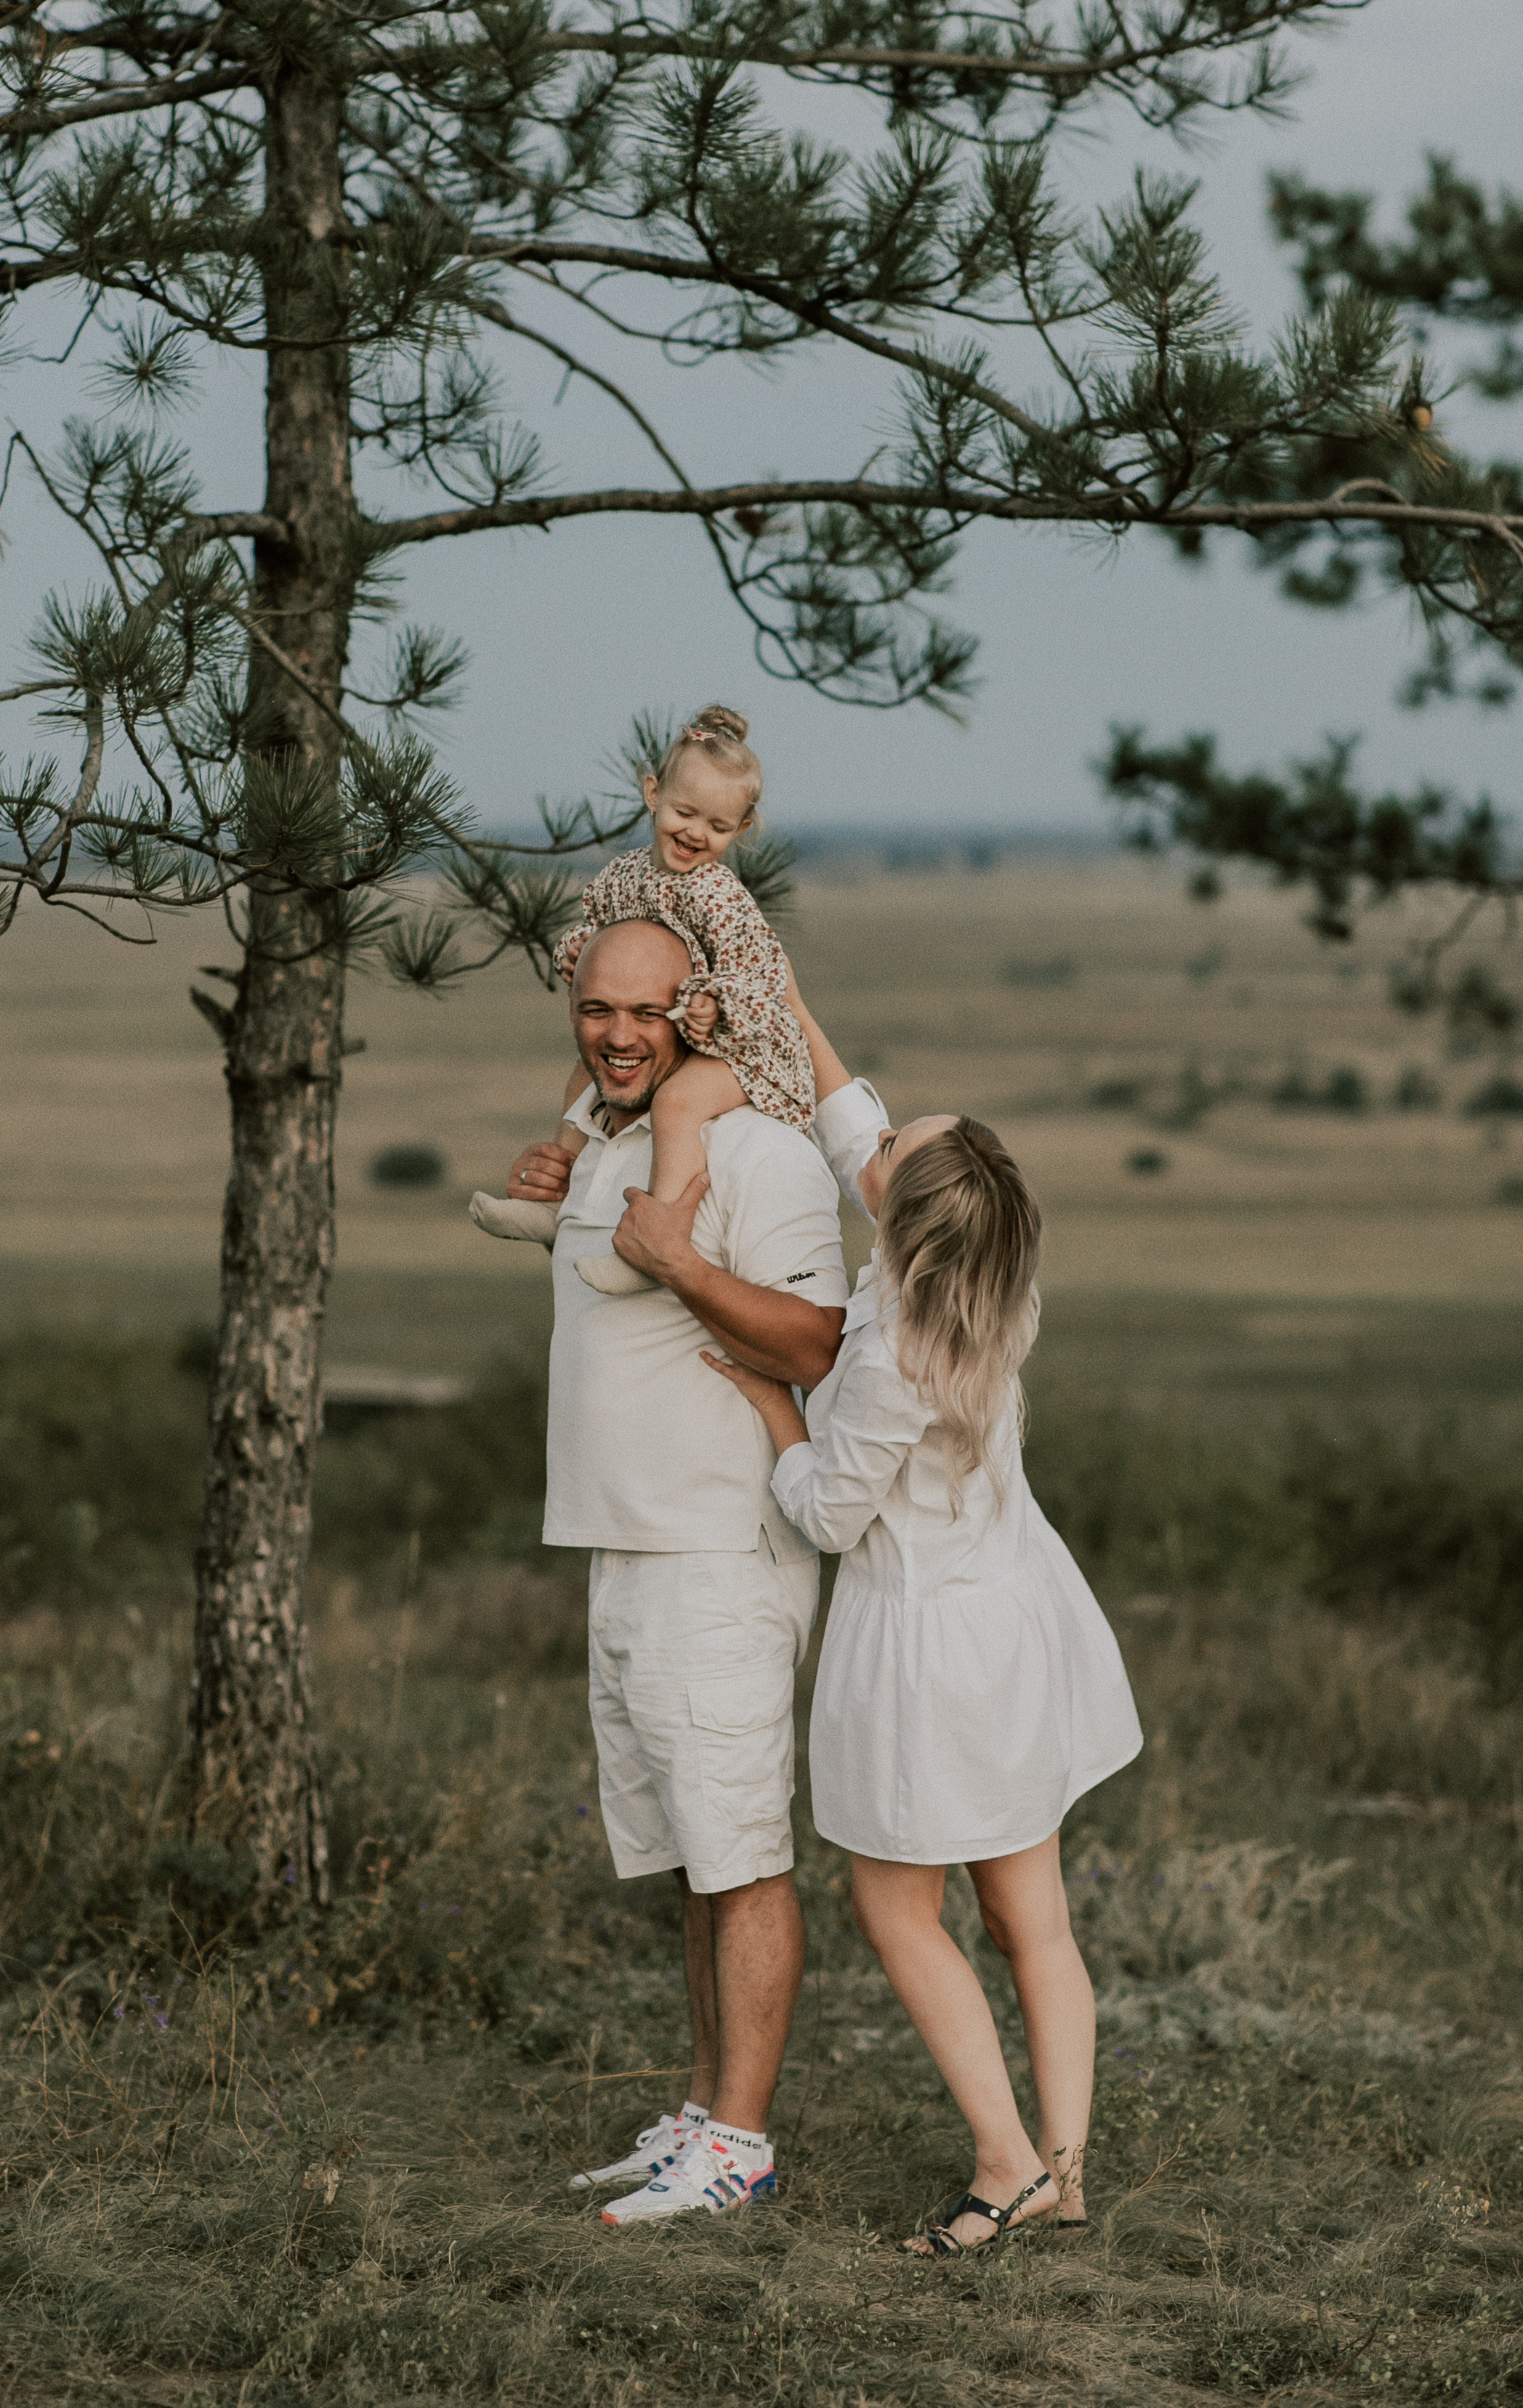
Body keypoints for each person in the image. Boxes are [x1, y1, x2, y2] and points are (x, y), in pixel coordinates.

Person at [703, 1114, 1142, 2255]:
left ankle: (1005, 2166)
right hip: (1011, 1627)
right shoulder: (997, 1291)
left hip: (928, 1654)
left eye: (899, 1144)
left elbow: (831, 1516)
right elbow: (866, 1122)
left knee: (897, 1908)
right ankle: (1068, 2173)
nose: (879, 1133)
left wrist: (776, 1415)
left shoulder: (896, 1348)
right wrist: (782, 995)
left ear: (896, 1214)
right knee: (1031, 1919)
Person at [504, 915, 876, 2226]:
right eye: (596, 1009)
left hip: (721, 1550)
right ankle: (708, 2121)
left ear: (700, 1012)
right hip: (624, 1546)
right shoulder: (613, 1140)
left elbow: (825, 1343)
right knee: (686, 1859)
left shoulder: (765, 1157)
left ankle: (746, 2145)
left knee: (742, 1857)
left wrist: (684, 1262)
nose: (616, 1034)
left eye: (644, 1012)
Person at [471, 706, 849, 1296]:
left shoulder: (718, 895)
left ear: (742, 829)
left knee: (674, 1104)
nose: (697, 833)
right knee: (584, 1076)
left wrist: (715, 1004)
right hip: (687, 1036)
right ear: (653, 794)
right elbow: (593, 927)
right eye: (684, 812)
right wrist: (575, 954)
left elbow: (761, 979)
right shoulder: (624, 875)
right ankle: (559, 1197)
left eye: (718, 826)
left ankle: (657, 1239)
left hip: (750, 1051)